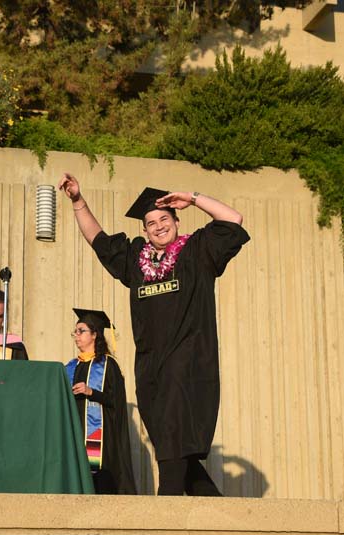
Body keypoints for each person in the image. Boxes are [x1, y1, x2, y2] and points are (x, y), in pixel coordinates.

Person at [58, 174, 250, 496]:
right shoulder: (136, 258)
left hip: (188, 366)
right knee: (177, 455)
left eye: (164, 219)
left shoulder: (198, 250)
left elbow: (233, 219)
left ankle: (162, 515)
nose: (159, 226)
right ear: (144, 231)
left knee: (172, 451)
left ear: (176, 220)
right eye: (151, 222)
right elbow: (99, 240)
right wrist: (78, 201)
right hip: (150, 371)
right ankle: (222, 516)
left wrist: (192, 196)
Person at [65, 309, 137, 495]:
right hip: (76, 433)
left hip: (100, 435)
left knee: (100, 480)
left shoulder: (108, 365)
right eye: (76, 332)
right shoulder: (71, 366)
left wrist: (92, 392)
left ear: (95, 334)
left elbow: (117, 401)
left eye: (81, 331)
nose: (77, 336)